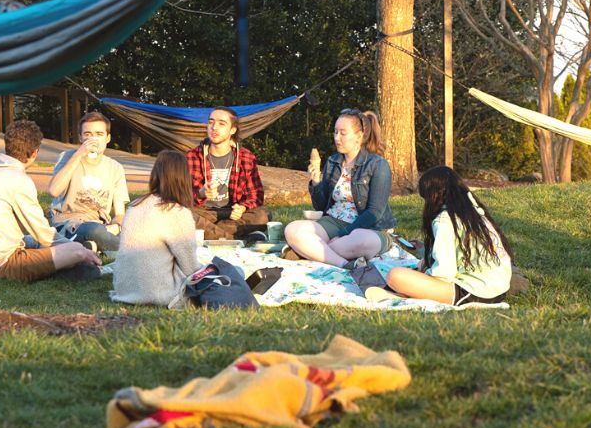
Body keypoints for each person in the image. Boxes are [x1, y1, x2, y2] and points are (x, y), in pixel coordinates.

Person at [0, 120, 102, 282]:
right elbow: (45, 236)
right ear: (34, 152)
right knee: (76, 251)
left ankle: (67, 261)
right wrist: (80, 250)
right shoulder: (17, 179)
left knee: (32, 241)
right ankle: (73, 262)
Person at [384, 166, 513, 306]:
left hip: (473, 293)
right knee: (419, 268)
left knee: (395, 275)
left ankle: (406, 294)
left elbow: (443, 273)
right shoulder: (473, 211)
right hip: (498, 290)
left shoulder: (444, 220)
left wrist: (423, 275)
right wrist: (424, 252)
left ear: (433, 196)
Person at [284, 109, 396, 266]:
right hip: (334, 221)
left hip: (368, 228)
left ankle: (311, 251)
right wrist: (316, 182)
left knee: (361, 242)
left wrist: (344, 234)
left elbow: (374, 212)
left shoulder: (378, 165)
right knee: (292, 230)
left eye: (343, 133)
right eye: (335, 132)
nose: (337, 138)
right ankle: (345, 264)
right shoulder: (333, 162)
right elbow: (321, 206)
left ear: (359, 136)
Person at [111, 150, 204, 307]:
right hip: (159, 293)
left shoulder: (135, 206)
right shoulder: (176, 212)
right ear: (184, 178)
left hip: (124, 290)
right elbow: (191, 269)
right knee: (230, 272)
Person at [48, 111, 130, 252]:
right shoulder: (67, 157)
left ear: (108, 138)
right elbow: (54, 190)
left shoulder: (115, 168)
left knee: (128, 228)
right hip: (68, 225)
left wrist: (116, 226)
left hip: (103, 227)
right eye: (88, 134)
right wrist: (79, 154)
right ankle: (119, 250)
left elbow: (120, 214)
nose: (93, 139)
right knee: (94, 230)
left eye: (99, 134)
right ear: (80, 137)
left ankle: (93, 246)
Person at [186, 107, 270, 240]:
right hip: (203, 211)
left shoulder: (246, 157)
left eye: (221, 123)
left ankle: (208, 234)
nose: (214, 127)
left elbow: (256, 195)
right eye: (211, 122)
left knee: (263, 215)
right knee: (182, 214)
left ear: (232, 130)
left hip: (232, 211)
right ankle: (233, 238)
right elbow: (180, 196)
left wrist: (242, 207)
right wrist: (201, 193)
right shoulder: (192, 156)